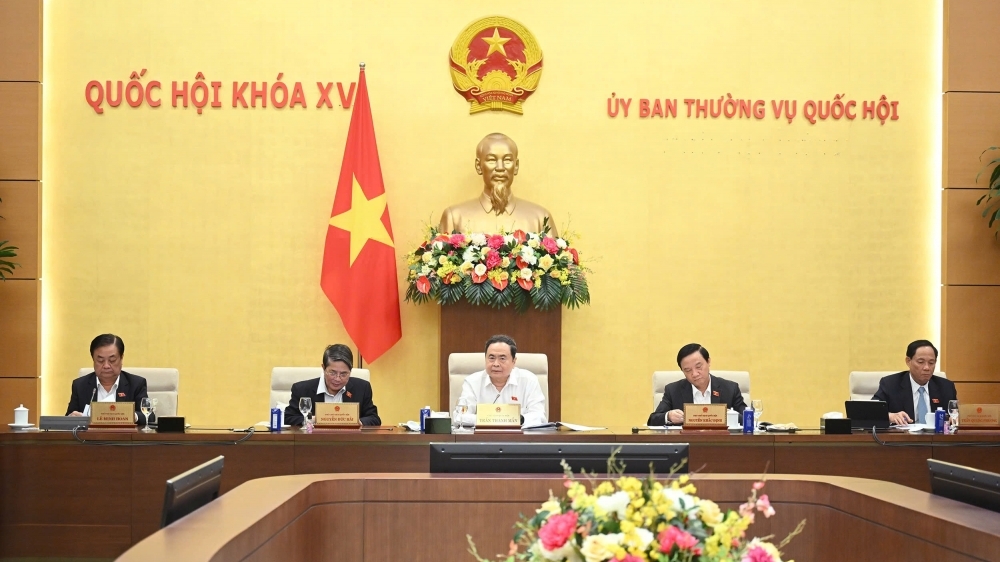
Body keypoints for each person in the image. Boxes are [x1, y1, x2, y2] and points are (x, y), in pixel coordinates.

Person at [438, 133, 559, 236]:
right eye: (491, 160)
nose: (500, 168)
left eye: (507, 160)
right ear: (478, 166)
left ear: (516, 166)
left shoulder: (540, 218)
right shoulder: (454, 217)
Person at [456, 334, 547, 428]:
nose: (496, 364)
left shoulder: (529, 380)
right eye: (491, 358)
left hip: (518, 436)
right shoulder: (472, 382)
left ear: (514, 361)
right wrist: (495, 419)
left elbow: (539, 416)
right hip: (483, 436)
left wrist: (517, 419)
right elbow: (460, 417)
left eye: (502, 358)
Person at [647, 343, 747, 426]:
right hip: (687, 442)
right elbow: (653, 420)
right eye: (688, 370)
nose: (694, 374)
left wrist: (732, 416)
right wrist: (668, 416)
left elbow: (748, 420)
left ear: (708, 362)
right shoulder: (673, 390)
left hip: (720, 442)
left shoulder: (730, 388)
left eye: (698, 367)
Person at [285, 344, 380, 426]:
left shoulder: (362, 388)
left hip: (349, 440)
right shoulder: (302, 389)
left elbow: (374, 418)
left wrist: (357, 421)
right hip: (315, 440)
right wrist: (313, 419)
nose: (337, 379)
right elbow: (288, 418)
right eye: (332, 373)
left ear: (350, 371)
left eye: (343, 374)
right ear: (323, 368)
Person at [66, 334, 149, 425]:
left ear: (121, 358)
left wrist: (131, 416)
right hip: (91, 434)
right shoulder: (80, 385)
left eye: (112, 360)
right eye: (100, 361)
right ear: (93, 360)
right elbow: (68, 418)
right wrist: (72, 418)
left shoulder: (136, 384)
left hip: (123, 434)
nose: (106, 366)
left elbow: (149, 416)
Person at [872, 340, 956, 426]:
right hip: (903, 434)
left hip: (936, 434)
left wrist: (953, 419)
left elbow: (955, 414)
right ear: (908, 361)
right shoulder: (890, 384)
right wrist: (890, 416)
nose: (927, 368)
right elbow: (871, 411)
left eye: (931, 363)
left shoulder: (946, 387)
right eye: (921, 362)